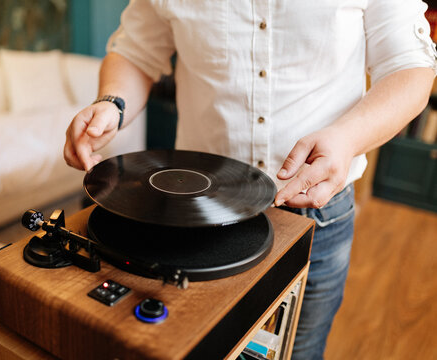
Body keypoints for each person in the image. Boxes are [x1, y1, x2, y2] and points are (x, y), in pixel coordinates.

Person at [64, 1, 436, 358]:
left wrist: (347, 140)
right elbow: (135, 52)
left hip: (316, 217)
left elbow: (411, 68)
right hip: (192, 222)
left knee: (300, 351)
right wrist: (112, 102)